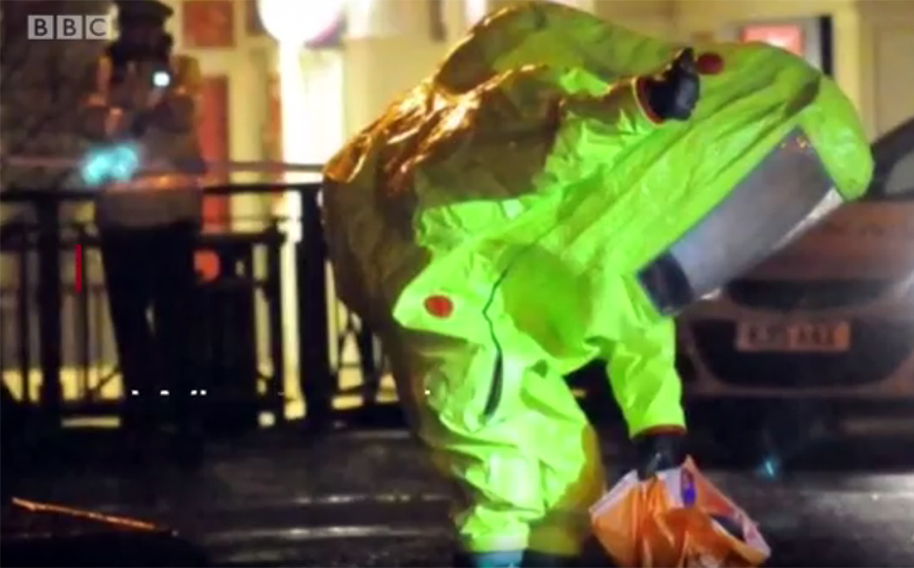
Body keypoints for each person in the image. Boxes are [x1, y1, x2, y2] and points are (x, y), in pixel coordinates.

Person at [321, 3, 874, 566]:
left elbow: (631, 305)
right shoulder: (546, 97)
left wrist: (657, 419)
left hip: (503, 316)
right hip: (444, 281)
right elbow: (512, 163)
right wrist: (631, 113)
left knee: (567, 480)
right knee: (499, 471)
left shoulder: (657, 201)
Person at [80, 0, 207, 454]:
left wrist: (129, 112)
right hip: (120, 220)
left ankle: (185, 416)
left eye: (148, 26)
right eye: (134, 25)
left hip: (172, 216)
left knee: (177, 324)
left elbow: (181, 115)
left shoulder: (183, 67)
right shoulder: (99, 71)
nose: (141, 34)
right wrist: (140, 110)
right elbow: (96, 124)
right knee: (131, 325)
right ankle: (144, 416)